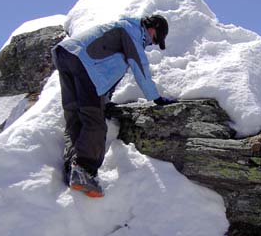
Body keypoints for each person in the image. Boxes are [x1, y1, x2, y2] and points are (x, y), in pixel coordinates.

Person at [51, 14, 176, 198]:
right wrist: (155, 98)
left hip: (66, 56)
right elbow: (139, 65)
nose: (152, 44)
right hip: (83, 63)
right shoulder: (131, 31)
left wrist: (105, 101)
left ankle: (72, 168)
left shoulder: (118, 30)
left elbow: (107, 73)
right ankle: (84, 171)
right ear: (152, 28)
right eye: (155, 39)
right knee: (94, 121)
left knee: (75, 117)